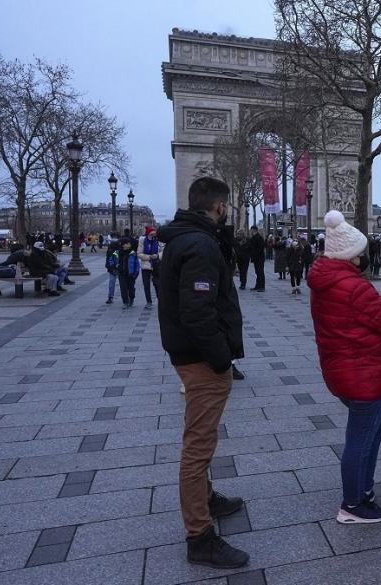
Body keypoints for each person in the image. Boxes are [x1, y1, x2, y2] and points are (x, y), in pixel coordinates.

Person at [157, 177, 248, 568]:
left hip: (188, 353)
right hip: (201, 359)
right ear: (220, 206)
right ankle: (199, 536)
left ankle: (207, 499)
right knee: (198, 446)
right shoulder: (200, 244)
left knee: (201, 439)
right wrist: (221, 359)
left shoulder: (183, 238)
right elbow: (198, 311)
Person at [308, 209, 381, 523]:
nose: (364, 257)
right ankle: (353, 504)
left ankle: (364, 490)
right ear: (351, 255)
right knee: (362, 440)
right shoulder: (355, 288)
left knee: (368, 433)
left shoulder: (324, 281)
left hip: (341, 369)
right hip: (363, 372)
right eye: (360, 252)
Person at [138, 226, 163, 308]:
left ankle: (161, 301)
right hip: (146, 265)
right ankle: (149, 302)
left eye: (154, 233)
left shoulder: (158, 240)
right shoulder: (142, 240)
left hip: (156, 265)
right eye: (151, 233)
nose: (153, 234)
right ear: (148, 233)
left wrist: (157, 256)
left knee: (158, 284)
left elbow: (163, 251)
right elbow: (139, 254)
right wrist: (149, 257)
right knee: (146, 285)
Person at [114, 237, 140, 308]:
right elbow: (112, 259)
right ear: (123, 245)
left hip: (130, 274)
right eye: (127, 243)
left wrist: (136, 273)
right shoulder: (118, 252)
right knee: (123, 288)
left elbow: (137, 264)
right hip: (121, 273)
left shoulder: (133, 253)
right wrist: (114, 266)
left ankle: (131, 298)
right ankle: (125, 302)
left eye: (129, 243)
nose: (129, 244)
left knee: (131, 288)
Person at [104, 233, 121, 304]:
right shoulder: (112, 250)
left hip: (116, 268)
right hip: (114, 268)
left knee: (112, 283)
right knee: (112, 283)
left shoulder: (114, 250)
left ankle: (111, 297)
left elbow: (108, 259)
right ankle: (110, 297)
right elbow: (108, 259)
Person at [248, 225, 266, 291]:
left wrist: (254, 254)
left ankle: (262, 286)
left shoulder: (259, 238)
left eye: (251, 230)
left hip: (259, 258)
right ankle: (258, 285)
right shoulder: (254, 237)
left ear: (254, 230)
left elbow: (259, 249)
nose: (251, 231)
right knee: (257, 272)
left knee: (260, 272)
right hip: (256, 258)